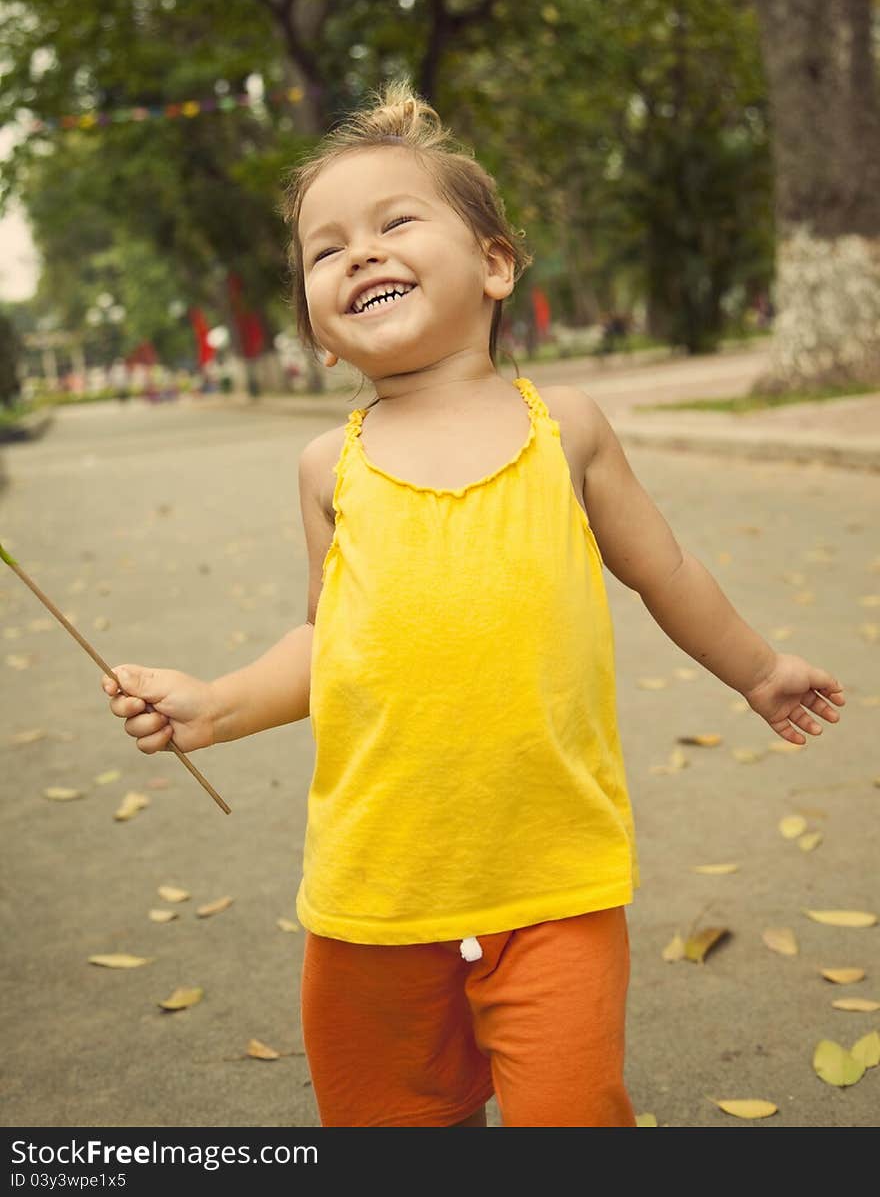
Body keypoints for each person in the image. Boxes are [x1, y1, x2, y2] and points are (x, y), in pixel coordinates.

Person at [101, 82, 845, 1129]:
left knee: (569, 1117)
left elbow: (664, 569)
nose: (358, 253)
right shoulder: (329, 466)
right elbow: (327, 637)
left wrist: (758, 669)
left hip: (553, 881)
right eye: (325, 249)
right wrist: (214, 705)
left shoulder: (565, 429)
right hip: (375, 891)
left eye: (395, 222)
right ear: (317, 331)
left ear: (495, 262)